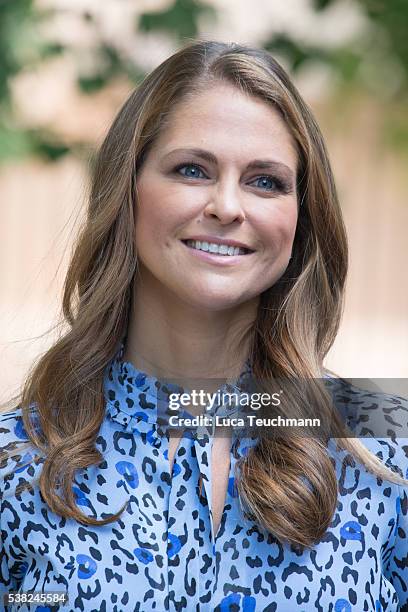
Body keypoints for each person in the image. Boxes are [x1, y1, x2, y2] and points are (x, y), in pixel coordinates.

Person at [1, 39, 407, 612]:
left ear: (300, 218)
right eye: (192, 169)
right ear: (128, 190)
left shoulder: (384, 443)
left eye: (265, 180)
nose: (227, 205)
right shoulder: (18, 461)